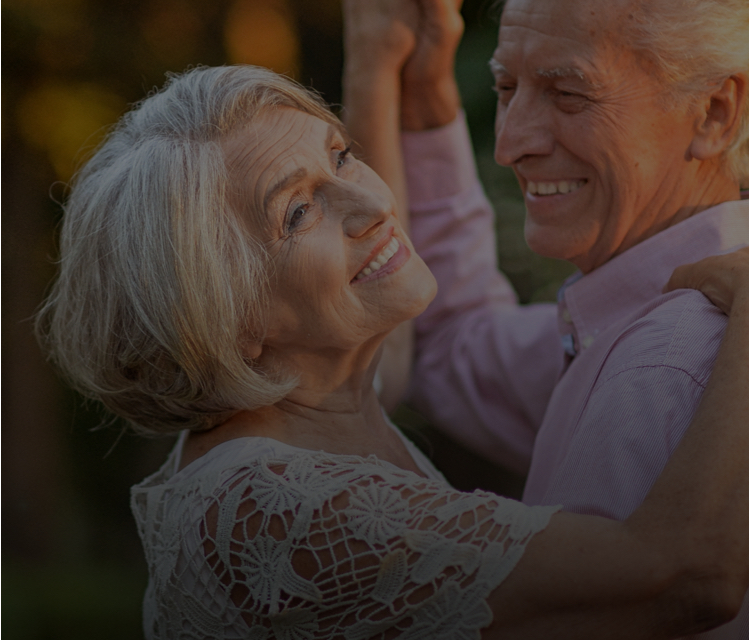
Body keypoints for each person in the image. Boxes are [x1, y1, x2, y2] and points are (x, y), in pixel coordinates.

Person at [35, 65, 747, 639]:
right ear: (221, 317)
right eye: (298, 211)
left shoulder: (326, 407)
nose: (372, 204)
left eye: (342, 154)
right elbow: (684, 577)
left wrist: (386, 60)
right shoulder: (271, 507)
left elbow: (405, 354)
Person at [342, 0, 749, 636]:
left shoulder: (665, 365)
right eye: (507, 87)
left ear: (714, 112)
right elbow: (450, 344)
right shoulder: (643, 324)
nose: (510, 145)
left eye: (567, 93)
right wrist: (419, 94)